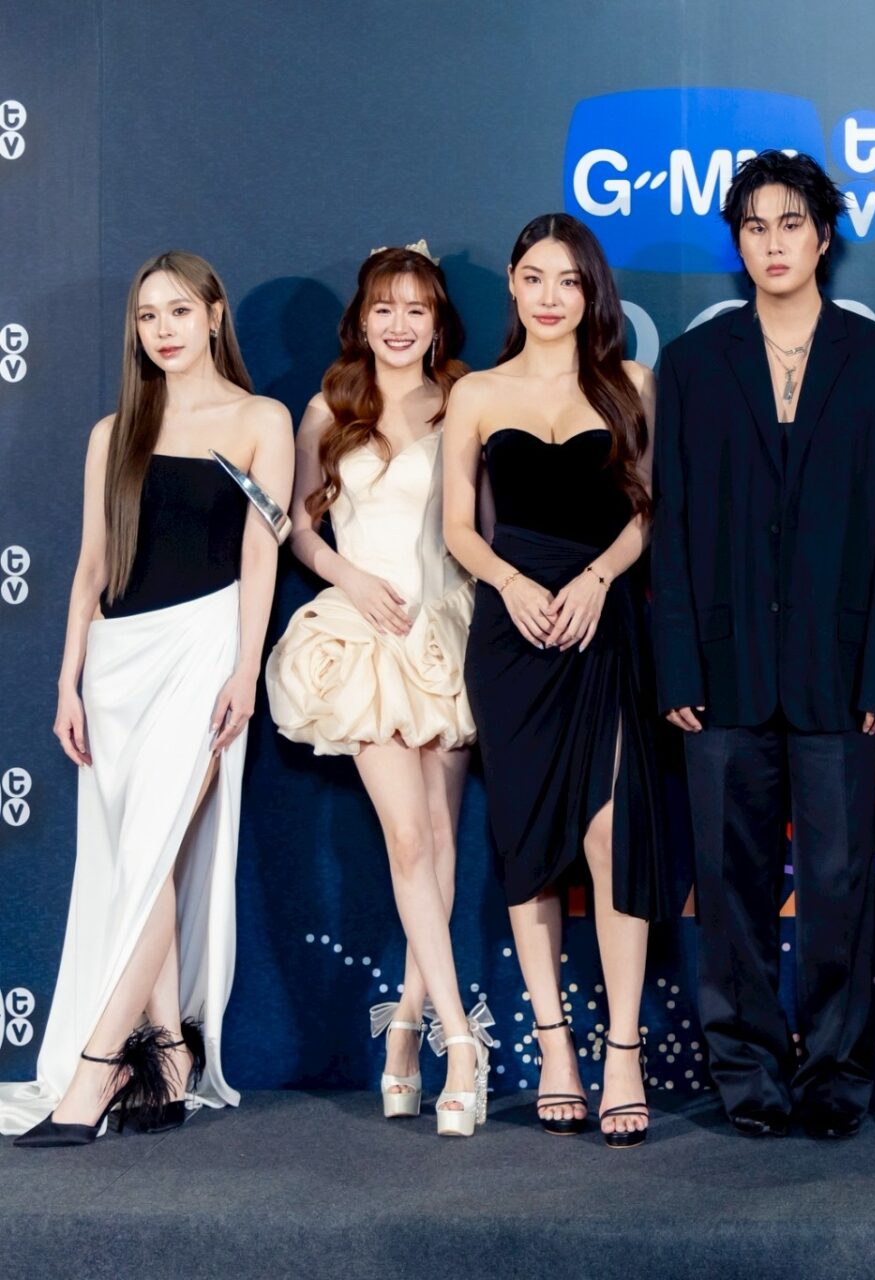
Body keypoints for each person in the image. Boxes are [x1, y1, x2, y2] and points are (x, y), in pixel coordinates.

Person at [652, 151, 875, 1141]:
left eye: (791, 223)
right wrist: (678, 661)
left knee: (841, 885)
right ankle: (748, 1073)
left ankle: (836, 1076)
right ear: (738, 242)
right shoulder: (694, 364)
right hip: (721, 671)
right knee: (731, 890)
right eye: (755, 226)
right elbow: (672, 524)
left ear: (824, 235)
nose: (774, 243)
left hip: (841, 673)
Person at [4, 252, 293, 1145]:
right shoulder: (113, 432)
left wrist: (245, 670)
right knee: (143, 863)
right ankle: (166, 1057)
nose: (163, 330)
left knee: (157, 845)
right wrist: (68, 677)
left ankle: (100, 1068)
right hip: (116, 663)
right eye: (147, 316)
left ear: (214, 314)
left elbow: (261, 556)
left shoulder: (261, 421)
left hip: (201, 652)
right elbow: (92, 565)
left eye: (178, 311)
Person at [442, 213, 667, 1147]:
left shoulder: (631, 384)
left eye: (567, 281)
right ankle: (554, 1050)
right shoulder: (477, 392)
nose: (548, 297)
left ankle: (624, 1052)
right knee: (528, 840)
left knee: (613, 833)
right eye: (533, 278)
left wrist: (599, 579)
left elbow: (648, 513)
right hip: (514, 630)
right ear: (511, 282)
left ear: (591, 292)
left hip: (601, 620)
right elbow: (459, 529)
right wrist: (511, 584)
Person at [265, 243, 490, 1134]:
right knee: (406, 838)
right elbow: (297, 527)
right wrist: (345, 577)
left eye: (416, 309)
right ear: (361, 320)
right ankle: (460, 1043)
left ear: (437, 323)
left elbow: (479, 523)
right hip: (363, 636)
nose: (398, 325)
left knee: (439, 839)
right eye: (384, 308)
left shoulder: (465, 399)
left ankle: (403, 1028)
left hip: (449, 633)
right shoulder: (329, 407)